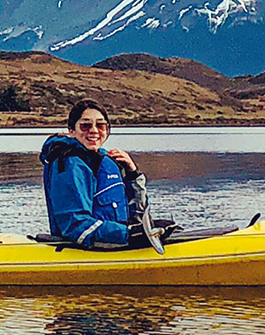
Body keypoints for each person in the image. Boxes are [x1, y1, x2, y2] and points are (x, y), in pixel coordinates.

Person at [40, 99, 174, 249]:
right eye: (85, 125)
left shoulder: (105, 159)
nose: (94, 130)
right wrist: (129, 235)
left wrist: (133, 175)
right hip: (87, 248)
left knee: (169, 226)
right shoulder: (68, 165)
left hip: (115, 241)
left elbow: (137, 215)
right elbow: (75, 225)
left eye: (100, 125)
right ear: (72, 130)